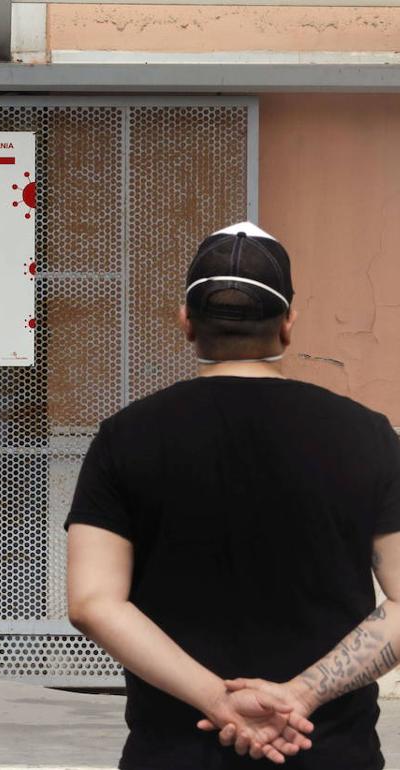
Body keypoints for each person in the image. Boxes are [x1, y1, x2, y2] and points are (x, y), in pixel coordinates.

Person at [66, 222, 400, 769]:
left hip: (173, 753)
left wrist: (219, 700)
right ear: (288, 324)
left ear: (186, 323)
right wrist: (300, 695)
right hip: (328, 750)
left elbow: (94, 602)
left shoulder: (125, 437)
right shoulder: (368, 435)